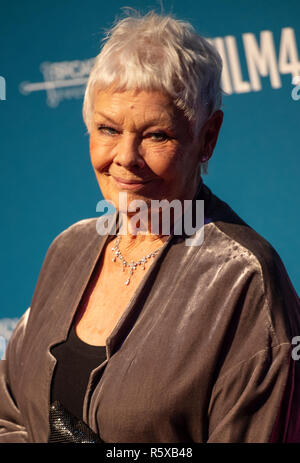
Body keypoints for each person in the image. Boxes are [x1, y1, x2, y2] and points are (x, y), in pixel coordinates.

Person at [1, 11, 300, 443]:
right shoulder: (67, 248)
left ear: (207, 137)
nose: (126, 157)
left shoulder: (244, 278)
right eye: (107, 129)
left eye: (156, 135)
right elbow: (8, 415)